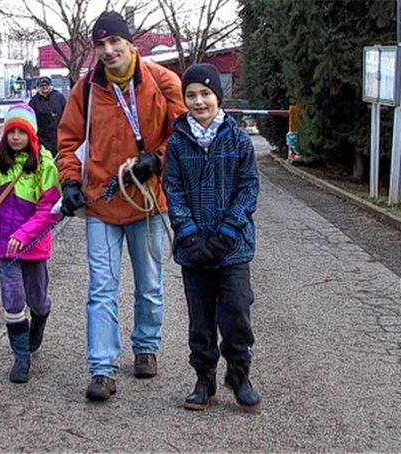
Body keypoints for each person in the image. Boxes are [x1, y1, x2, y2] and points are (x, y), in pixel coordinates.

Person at [56, 10, 187, 402]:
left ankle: (146, 346)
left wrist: (157, 159)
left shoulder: (163, 82)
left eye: (114, 41)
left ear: (130, 43)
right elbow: (67, 141)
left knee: (149, 284)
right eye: (100, 44)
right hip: (101, 203)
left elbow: (183, 134)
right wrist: (70, 182)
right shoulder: (85, 89)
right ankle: (102, 368)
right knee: (101, 288)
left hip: (146, 202)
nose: (108, 50)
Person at [163, 63, 261, 413]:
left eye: (205, 94)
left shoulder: (238, 139)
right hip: (194, 249)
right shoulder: (178, 142)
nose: (199, 101)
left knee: (236, 313)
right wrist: (188, 233)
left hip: (231, 247)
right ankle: (204, 378)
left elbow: (248, 188)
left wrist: (228, 231)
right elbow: (173, 189)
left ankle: (239, 373)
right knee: (200, 318)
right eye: (191, 95)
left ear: (218, 97)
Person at [0, 104, 62, 383]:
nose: (16, 137)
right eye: (11, 132)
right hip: (5, 246)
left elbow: (49, 209)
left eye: (21, 132)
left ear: (31, 134)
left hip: (34, 245)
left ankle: (39, 320)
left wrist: (24, 235)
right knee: (13, 297)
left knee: (38, 299)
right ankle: (21, 357)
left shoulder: (44, 165)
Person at [27, 76, 67, 158]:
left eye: (46, 85)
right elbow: (30, 119)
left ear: (50, 85)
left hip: (58, 134)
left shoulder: (59, 97)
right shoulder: (33, 101)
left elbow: (66, 112)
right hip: (42, 136)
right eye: (42, 85)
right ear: (38, 87)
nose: (44, 87)